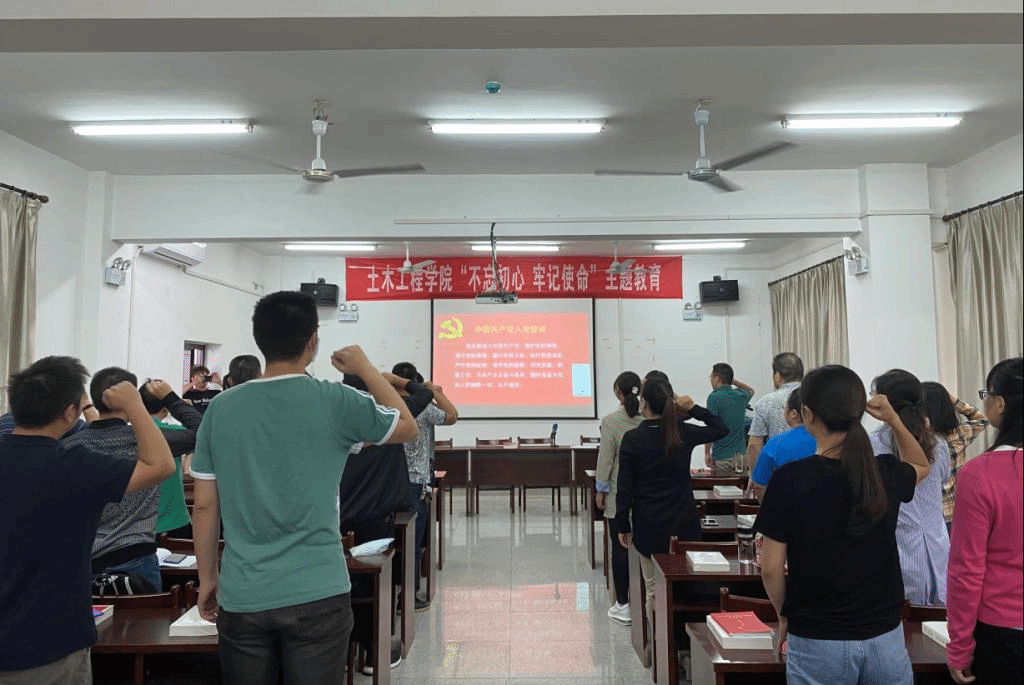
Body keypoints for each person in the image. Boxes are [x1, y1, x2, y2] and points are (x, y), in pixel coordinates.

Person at [190, 291, 417, 685]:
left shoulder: (220, 409)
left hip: (244, 592)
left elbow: (206, 507)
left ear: (259, 339)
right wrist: (365, 368)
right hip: (318, 589)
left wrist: (208, 577)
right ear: (313, 340)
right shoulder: (335, 400)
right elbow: (407, 426)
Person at [0, 357, 173, 684]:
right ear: (69, 412)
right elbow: (160, 465)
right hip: (50, 645)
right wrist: (135, 405)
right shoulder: (74, 466)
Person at [755, 365, 931, 685]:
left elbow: (771, 569)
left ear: (807, 414)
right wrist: (893, 420)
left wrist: (784, 615)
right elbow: (920, 463)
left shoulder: (789, 480)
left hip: (817, 638)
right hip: (885, 636)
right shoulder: (883, 472)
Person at [63, 369, 202, 592]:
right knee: (147, 613)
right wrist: (170, 398)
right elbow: (203, 432)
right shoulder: (150, 443)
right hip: (136, 556)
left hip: (82, 557)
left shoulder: (70, 446)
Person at [615, 378, 728, 630]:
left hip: (649, 526)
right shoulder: (682, 432)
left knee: (654, 588)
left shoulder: (633, 438)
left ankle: (659, 642)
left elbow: (625, 487)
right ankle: (682, 637)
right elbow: (721, 429)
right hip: (683, 523)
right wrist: (693, 408)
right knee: (682, 581)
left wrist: (622, 524)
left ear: (644, 404)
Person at [946, 357, 1023, 685]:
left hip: (1003, 633)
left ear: (1000, 403)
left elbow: (967, 569)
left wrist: (960, 645)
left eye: (986, 395)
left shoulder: (980, 474)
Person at [869, 369, 950, 606]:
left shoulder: (874, 443)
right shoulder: (938, 443)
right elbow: (943, 480)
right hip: (938, 547)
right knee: (937, 620)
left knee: (905, 619)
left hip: (899, 548)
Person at [391, 361, 458, 612]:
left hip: (392, 482)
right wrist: (435, 391)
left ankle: (392, 591)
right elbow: (452, 415)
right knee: (413, 541)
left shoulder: (387, 405)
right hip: (417, 483)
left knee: (394, 539)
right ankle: (408, 598)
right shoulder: (422, 408)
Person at [594, 371, 644, 626]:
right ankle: (646, 602)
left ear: (617, 391)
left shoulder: (611, 421)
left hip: (618, 494)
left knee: (619, 548)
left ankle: (623, 604)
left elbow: (606, 460)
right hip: (647, 496)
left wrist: (601, 489)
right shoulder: (649, 419)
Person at [139, 379, 205, 539]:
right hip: (172, 522)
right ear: (166, 408)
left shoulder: (128, 433)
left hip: (137, 525)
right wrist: (180, 405)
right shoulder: (172, 434)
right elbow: (203, 430)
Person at [920, 381, 989, 534]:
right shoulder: (959, 434)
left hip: (926, 514)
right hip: (954, 513)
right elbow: (982, 419)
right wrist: (953, 401)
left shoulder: (918, 438)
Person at [748, 389, 816, 501]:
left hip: (784, 507)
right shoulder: (828, 441)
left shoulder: (775, 444)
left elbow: (760, 487)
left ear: (793, 413)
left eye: (784, 407)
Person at [745, 352, 804, 475]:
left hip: (778, 473)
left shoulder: (766, 402)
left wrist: (755, 477)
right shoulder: (817, 398)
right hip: (816, 472)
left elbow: (754, 446)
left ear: (777, 376)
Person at [703, 362, 756, 475]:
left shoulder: (714, 397)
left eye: (711, 377)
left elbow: (711, 427)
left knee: (723, 486)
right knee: (740, 485)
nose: (711, 380)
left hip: (722, 458)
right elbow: (751, 390)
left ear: (717, 378)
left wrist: (707, 453)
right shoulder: (740, 395)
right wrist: (732, 381)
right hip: (741, 457)